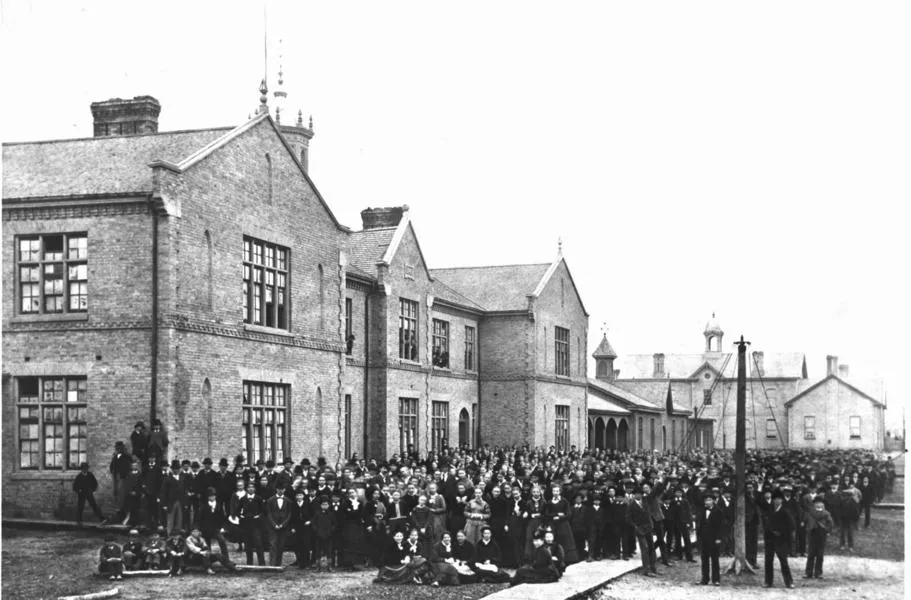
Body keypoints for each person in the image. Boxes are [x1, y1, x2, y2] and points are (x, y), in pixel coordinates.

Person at [763, 489, 794, 588]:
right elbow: (766, 524)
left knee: (783, 561)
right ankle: (768, 581)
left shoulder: (785, 511)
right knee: (768, 561)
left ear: (782, 500)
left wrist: (781, 532)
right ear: (772, 500)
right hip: (770, 539)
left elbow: (791, 526)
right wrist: (770, 531)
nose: (777, 501)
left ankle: (789, 582)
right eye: (775, 499)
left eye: (779, 499)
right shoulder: (769, 510)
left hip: (781, 539)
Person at [626, 487, 657, 577]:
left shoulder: (646, 502)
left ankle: (653, 567)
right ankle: (646, 570)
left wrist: (651, 523)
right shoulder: (631, 505)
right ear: (634, 495)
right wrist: (635, 526)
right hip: (640, 529)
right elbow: (628, 517)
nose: (638, 495)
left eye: (640, 494)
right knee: (644, 549)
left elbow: (649, 513)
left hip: (648, 528)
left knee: (651, 547)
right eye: (636, 494)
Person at [198, 486, 232, 566]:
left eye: (213, 495)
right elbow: (199, 519)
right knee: (207, 546)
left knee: (222, 541)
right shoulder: (204, 506)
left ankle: (226, 560)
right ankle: (208, 562)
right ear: (207, 497)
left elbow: (223, 518)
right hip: (206, 529)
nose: (212, 497)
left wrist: (223, 527)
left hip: (216, 528)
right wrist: (200, 529)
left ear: (215, 496)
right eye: (210, 496)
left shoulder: (219, 506)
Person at [235, 481, 266, 566]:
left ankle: (262, 563)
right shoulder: (243, 499)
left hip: (256, 525)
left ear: (255, 489)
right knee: (248, 545)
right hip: (246, 525)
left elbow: (263, 511)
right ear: (246, 489)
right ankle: (249, 563)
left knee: (258, 543)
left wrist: (258, 516)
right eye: (249, 487)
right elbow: (237, 510)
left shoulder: (259, 499)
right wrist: (241, 516)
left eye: (252, 487)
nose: (251, 489)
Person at [695, 493, 722, 586]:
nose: (708, 502)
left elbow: (720, 526)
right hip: (703, 538)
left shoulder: (718, 511)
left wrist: (718, 538)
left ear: (713, 501)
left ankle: (716, 579)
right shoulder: (702, 510)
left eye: (710, 500)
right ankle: (705, 579)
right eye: (706, 500)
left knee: (715, 559)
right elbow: (700, 523)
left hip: (714, 538)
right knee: (704, 559)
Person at [804, 496, 834, 579]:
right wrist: (808, 529)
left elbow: (830, 524)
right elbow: (805, 521)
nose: (818, 504)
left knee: (820, 555)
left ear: (823, 504)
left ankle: (818, 573)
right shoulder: (810, 512)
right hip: (812, 534)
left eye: (820, 503)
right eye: (817, 503)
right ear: (814, 504)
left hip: (822, 535)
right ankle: (808, 573)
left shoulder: (826, 513)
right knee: (811, 554)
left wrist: (827, 530)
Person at [265, 479, 293, 566]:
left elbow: (289, 514)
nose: (280, 490)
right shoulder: (270, 500)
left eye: (282, 489)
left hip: (283, 527)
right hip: (272, 527)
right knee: (273, 544)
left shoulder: (288, 501)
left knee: (281, 545)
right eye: (279, 489)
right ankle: (272, 564)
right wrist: (274, 524)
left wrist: (283, 524)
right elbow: (268, 514)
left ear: (284, 490)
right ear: (276, 489)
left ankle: (278, 564)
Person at [339, 488, 368, 569]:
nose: (352, 494)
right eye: (350, 493)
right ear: (348, 494)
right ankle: (348, 564)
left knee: (358, 543)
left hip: (358, 526)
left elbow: (362, 514)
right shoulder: (345, 503)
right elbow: (345, 515)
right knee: (349, 544)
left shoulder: (360, 503)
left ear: (356, 493)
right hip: (349, 526)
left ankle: (358, 564)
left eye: (353, 492)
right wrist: (353, 513)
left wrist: (351, 512)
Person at [311, 496, 337, 571]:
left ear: (328, 505)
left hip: (328, 536)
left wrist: (330, 532)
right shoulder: (317, 514)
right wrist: (317, 532)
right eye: (323, 504)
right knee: (318, 551)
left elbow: (334, 524)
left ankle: (329, 566)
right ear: (320, 505)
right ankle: (318, 567)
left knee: (329, 551)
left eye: (326, 504)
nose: (324, 506)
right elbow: (314, 524)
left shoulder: (331, 514)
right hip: (319, 536)